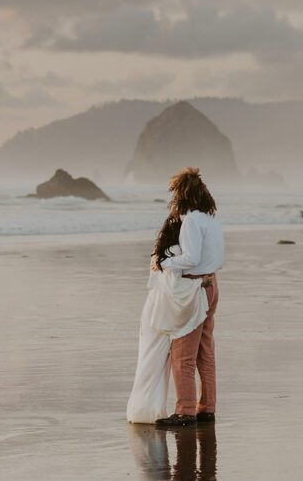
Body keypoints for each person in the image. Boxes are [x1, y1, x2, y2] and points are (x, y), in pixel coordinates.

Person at [154, 167, 224, 428]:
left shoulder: (192, 220)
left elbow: (191, 258)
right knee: (205, 352)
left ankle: (185, 411)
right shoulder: (210, 218)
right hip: (212, 284)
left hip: (194, 288)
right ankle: (207, 408)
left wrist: (164, 263)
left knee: (182, 353)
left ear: (182, 195)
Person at [126, 213, 209, 424]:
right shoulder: (175, 252)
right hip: (160, 314)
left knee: (148, 360)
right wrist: (200, 284)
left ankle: (142, 409)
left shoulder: (160, 254)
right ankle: (148, 412)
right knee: (156, 363)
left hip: (153, 311)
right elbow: (175, 288)